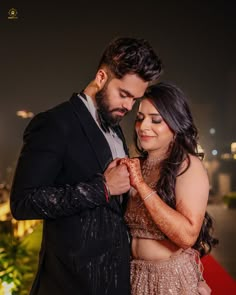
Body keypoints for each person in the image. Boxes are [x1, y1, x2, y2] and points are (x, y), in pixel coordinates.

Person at [10, 37, 162, 295]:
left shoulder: (115, 127)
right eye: (124, 94)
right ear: (101, 77)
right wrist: (102, 187)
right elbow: (23, 202)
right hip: (72, 284)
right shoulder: (55, 123)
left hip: (117, 282)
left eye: (135, 99)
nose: (129, 106)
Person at [121, 82, 218, 295]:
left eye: (156, 120)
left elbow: (186, 236)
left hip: (170, 280)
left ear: (175, 123)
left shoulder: (187, 165)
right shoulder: (139, 164)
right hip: (133, 277)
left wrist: (141, 186)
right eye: (140, 118)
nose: (143, 127)